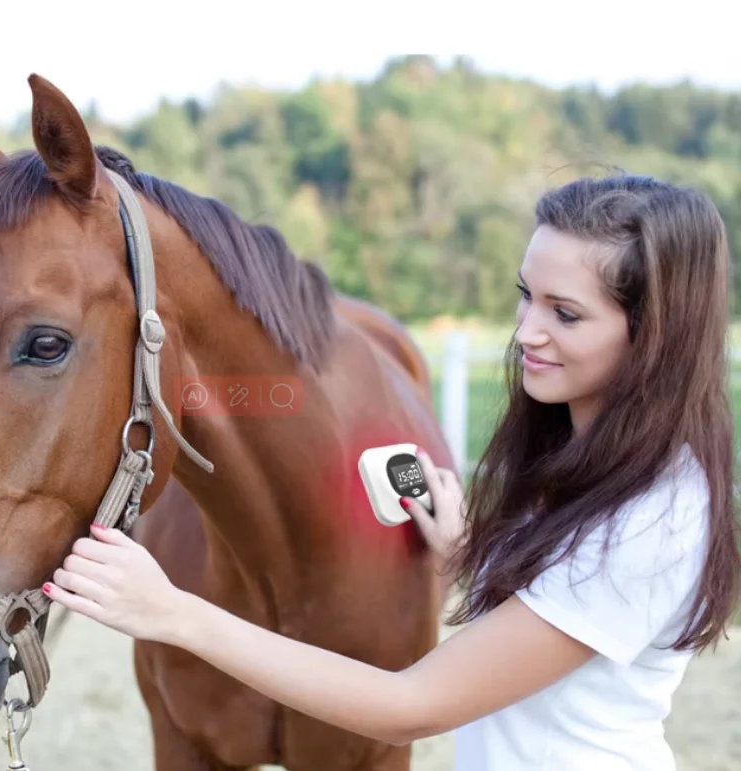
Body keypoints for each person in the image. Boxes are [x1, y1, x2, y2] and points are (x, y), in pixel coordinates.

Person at [43, 174, 741, 771]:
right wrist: (470, 552)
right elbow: (548, 616)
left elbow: (410, 707)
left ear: (654, 336)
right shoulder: (584, 460)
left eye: (565, 313)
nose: (527, 330)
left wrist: (173, 613)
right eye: (527, 295)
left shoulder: (651, 512)